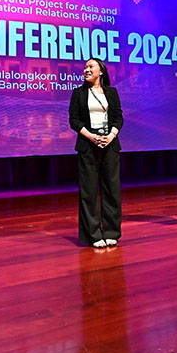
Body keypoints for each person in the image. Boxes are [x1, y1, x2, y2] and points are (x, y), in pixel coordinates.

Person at [69, 58, 123, 248]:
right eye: (85, 67)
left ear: (101, 71)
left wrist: (111, 136)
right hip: (88, 145)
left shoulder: (112, 92)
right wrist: (91, 137)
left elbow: (118, 117)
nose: (86, 69)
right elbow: (74, 120)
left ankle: (111, 232)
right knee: (89, 192)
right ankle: (93, 235)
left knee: (111, 190)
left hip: (110, 144)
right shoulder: (79, 93)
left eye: (91, 66)